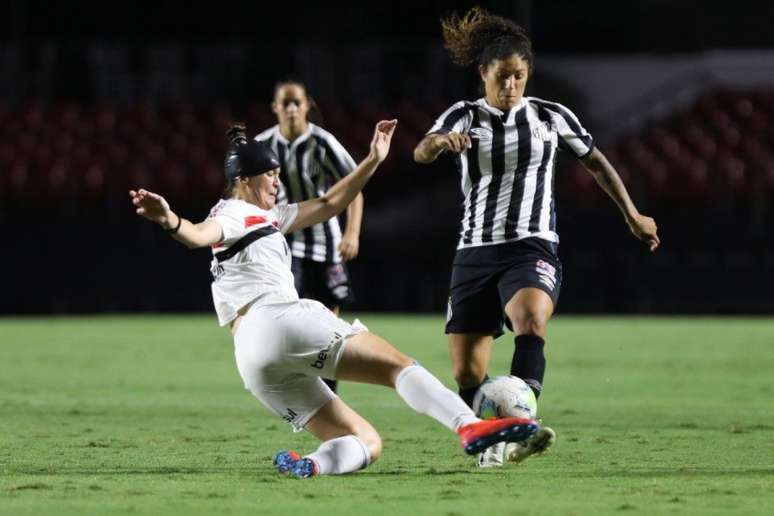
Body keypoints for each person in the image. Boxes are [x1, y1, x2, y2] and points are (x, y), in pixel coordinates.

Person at [129, 119, 540, 479]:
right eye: (270, 175)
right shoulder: (234, 212)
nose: (277, 182)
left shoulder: (266, 217)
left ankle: (312, 464)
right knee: (399, 367)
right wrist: (169, 220)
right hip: (279, 319)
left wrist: (373, 160)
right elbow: (199, 235)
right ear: (243, 180)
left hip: (252, 360)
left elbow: (329, 203)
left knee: (366, 441)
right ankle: (469, 425)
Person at [413, 7, 660, 468]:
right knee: (467, 371)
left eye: (519, 77)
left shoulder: (550, 116)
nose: (511, 86)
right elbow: (420, 151)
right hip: (474, 251)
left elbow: (596, 161)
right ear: (484, 73)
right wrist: (440, 143)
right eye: (503, 77)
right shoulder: (463, 116)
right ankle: (491, 442)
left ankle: (523, 425)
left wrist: (632, 212)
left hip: (532, 244)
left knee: (531, 319)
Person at [254, 80, 363, 395]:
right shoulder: (262, 146)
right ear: (275, 107)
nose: (290, 109)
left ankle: (330, 396)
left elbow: (353, 187)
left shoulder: (322, 142)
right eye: (284, 103)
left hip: (326, 245)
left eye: (296, 103)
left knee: (330, 327)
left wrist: (352, 232)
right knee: (291, 323)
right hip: (286, 246)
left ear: (306, 106)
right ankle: (303, 395)